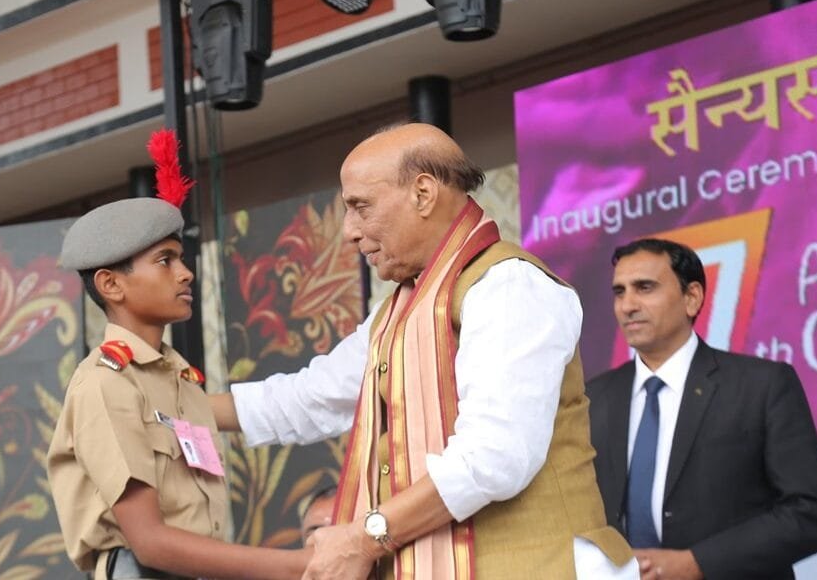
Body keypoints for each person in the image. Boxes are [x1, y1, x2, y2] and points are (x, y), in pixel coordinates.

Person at [210, 122, 635, 579]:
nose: (350, 231)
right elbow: (312, 396)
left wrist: (363, 537)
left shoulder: (510, 285)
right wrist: (174, 408)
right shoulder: (399, 315)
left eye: (360, 208)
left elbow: (495, 457)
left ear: (424, 194)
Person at [46, 130, 308, 580]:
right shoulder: (107, 382)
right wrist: (294, 566)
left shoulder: (176, 380)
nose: (186, 273)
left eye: (181, 258)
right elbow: (150, 542)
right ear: (112, 284)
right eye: (165, 260)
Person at [586, 238, 817, 580]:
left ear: (692, 297)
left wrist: (697, 563)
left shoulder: (761, 385)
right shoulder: (593, 399)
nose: (628, 305)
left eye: (644, 288)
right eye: (619, 291)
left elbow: (813, 514)